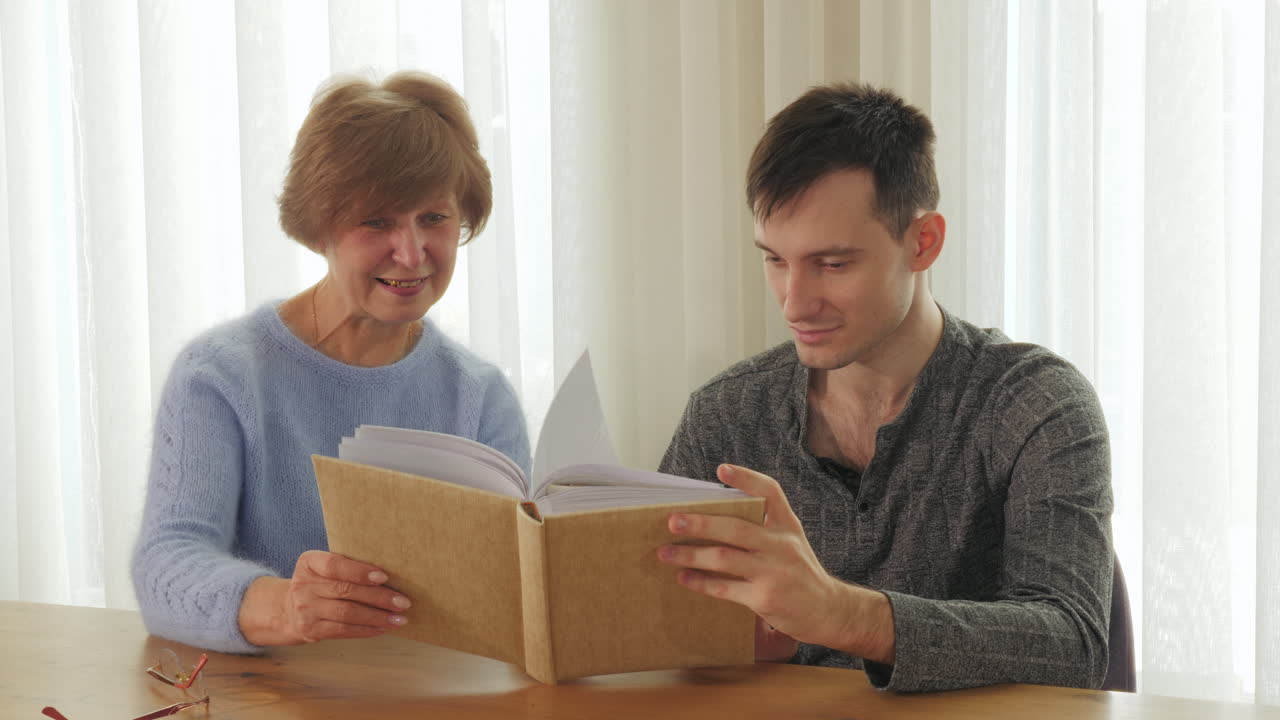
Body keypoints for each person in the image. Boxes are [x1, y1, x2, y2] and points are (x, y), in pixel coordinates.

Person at [656, 83, 1113, 692]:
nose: (795, 302)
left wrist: (842, 615)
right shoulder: (726, 414)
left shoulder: (1036, 406)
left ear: (922, 242)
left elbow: (1073, 643)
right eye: (774, 259)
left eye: (833, 264)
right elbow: (660, 627)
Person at [131, 71, 530, 654]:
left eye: (434, 218)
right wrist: (287, 607)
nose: (413, 252)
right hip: (271, 697)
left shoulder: (481, 395)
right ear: (321, 225)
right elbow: (166, 567)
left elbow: (508, 586)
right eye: (378, 221)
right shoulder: (220, 376)